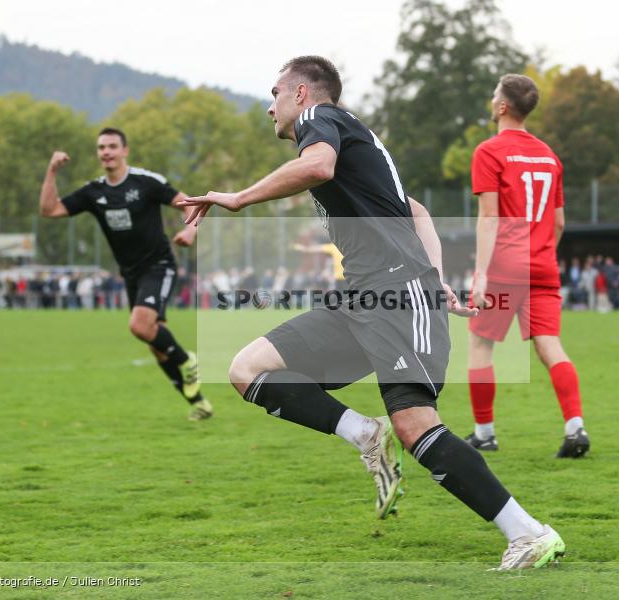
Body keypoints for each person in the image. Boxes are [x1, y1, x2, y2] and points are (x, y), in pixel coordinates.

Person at [178, 56, 565, 570]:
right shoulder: (351, 137)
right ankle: (365, 433)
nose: (270, 107)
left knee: (416, 425)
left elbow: (318, 166)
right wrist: (438, 277)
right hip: (364, 297)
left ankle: (529, 533)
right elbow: (416, 210)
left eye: (275, 94)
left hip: (397, 293)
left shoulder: (319, 119)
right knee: (247, 369)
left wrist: (239, 198)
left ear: (301, 94)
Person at [39, 127, 212, 421]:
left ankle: (188, 361)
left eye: (111, 146)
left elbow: (190, 205)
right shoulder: (93, 192)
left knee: (139, 326)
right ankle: (199, 402)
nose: (106, 152)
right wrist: (52, 171)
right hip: (130, 275)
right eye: (101, 147)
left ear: (124, 151)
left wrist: (189, 231)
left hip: (159, 265)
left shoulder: (146, 182)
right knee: (157, 347)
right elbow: (49, 210)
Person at [466, 73, 589, 458]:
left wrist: (482, 274)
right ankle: (575, 427)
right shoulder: (549, 156)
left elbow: (489, 217)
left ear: (503, 106)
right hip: (543, 265)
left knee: (480, 345)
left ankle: (484, 434)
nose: (491, 100)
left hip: (504, 266)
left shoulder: (489, 151)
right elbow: (559, 222)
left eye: (494, 95)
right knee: (550, 345)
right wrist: (541, 255)